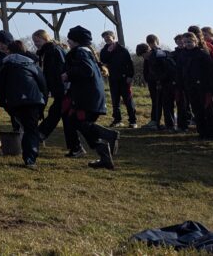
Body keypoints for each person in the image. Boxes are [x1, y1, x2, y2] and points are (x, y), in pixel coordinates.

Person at [61, 25, 119, 170]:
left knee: (78, 122)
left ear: (76, 40)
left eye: (70, 39)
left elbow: (86, 71)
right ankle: (105, 157)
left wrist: (69, 74)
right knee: (77, 122)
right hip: (90, 95)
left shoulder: (81, 52)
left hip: (87, 96)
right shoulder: (87, 51)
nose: (68, 41)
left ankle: (109, 136)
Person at [0, 39, 48, 168]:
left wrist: (3, 103)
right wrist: (43, 103)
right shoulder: (31, 65)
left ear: (9, 51)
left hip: (14, 102)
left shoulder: (6, 66)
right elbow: (43, 85)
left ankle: (26, 154)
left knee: (24, 126)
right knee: (31, 129)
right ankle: (30, 158)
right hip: (33, 101)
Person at [182, 32, 213, 139]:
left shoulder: (202, 54)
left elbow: (210, 71)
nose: (187, 44)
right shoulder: (183, 55)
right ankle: (202, 132)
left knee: (208, 110)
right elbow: (180, 71)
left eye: (190, 41)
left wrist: (209, 86)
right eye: (185, 42)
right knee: (197, 110)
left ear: (195, 41)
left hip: (204, 86)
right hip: (190, 86)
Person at [33, 29, 68, 143]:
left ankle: (40, 133)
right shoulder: (49, 50)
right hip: (59, 87)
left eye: (37, 41)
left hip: (61, 87)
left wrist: (48, 87)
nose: (35, 44)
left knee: (57, 112)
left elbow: (54, 71)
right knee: (61, 113)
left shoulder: (51, 51)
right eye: (34, 41)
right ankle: (75, 145)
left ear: (45, 39)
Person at [99, 30, 137, 128]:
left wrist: (130, 76)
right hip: (113, 79)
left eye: (108, 37)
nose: (107, 39)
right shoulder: (104, 50)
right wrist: (108, 52)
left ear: (113, 37)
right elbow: (103, 62)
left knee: (128, 100)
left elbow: (130, 63)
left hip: (124, 79)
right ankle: (117, 120)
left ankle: (133, 121)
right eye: (105, 38)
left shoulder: (123, 49)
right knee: (115, 101)